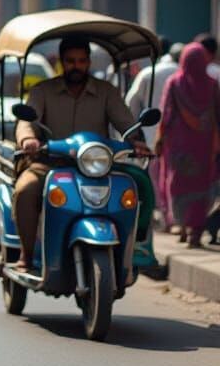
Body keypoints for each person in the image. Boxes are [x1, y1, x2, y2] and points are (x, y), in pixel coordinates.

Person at [13, 35, 150, 271]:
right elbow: (26, 122)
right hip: (50, 164)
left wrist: (136, 141)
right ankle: (26, 254)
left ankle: (133, 248)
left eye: (81, 61)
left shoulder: (106, 92)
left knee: (136, 187)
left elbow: (125, 122)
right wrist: (28, 139)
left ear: (88, 62)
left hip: (97, 167)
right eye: (70, 61)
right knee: (25, 190)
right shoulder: (43, 91)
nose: (76, 66)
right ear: (60, 62)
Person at [155, 42, 220, 248]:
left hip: (179, 148)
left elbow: (166, 113)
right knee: (202, 186)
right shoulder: (212, 84)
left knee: (179, 186)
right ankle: (196, 232)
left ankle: (183, 226)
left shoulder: (174, 83)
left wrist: (160, 137)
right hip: (205, 146)